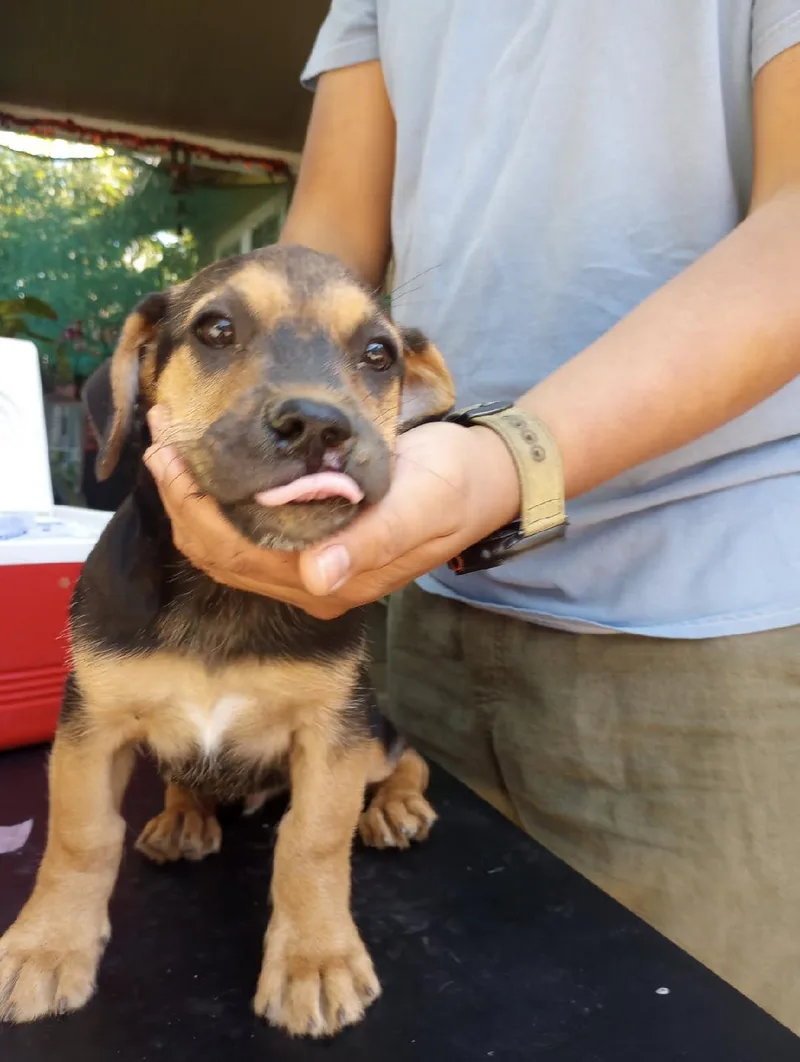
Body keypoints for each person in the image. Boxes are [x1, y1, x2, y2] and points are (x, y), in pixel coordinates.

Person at [144, 2, 800, 1031]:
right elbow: (326, 248)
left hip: (711, 624)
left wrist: (507, 462)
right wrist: (234, 414)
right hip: (418, 597)